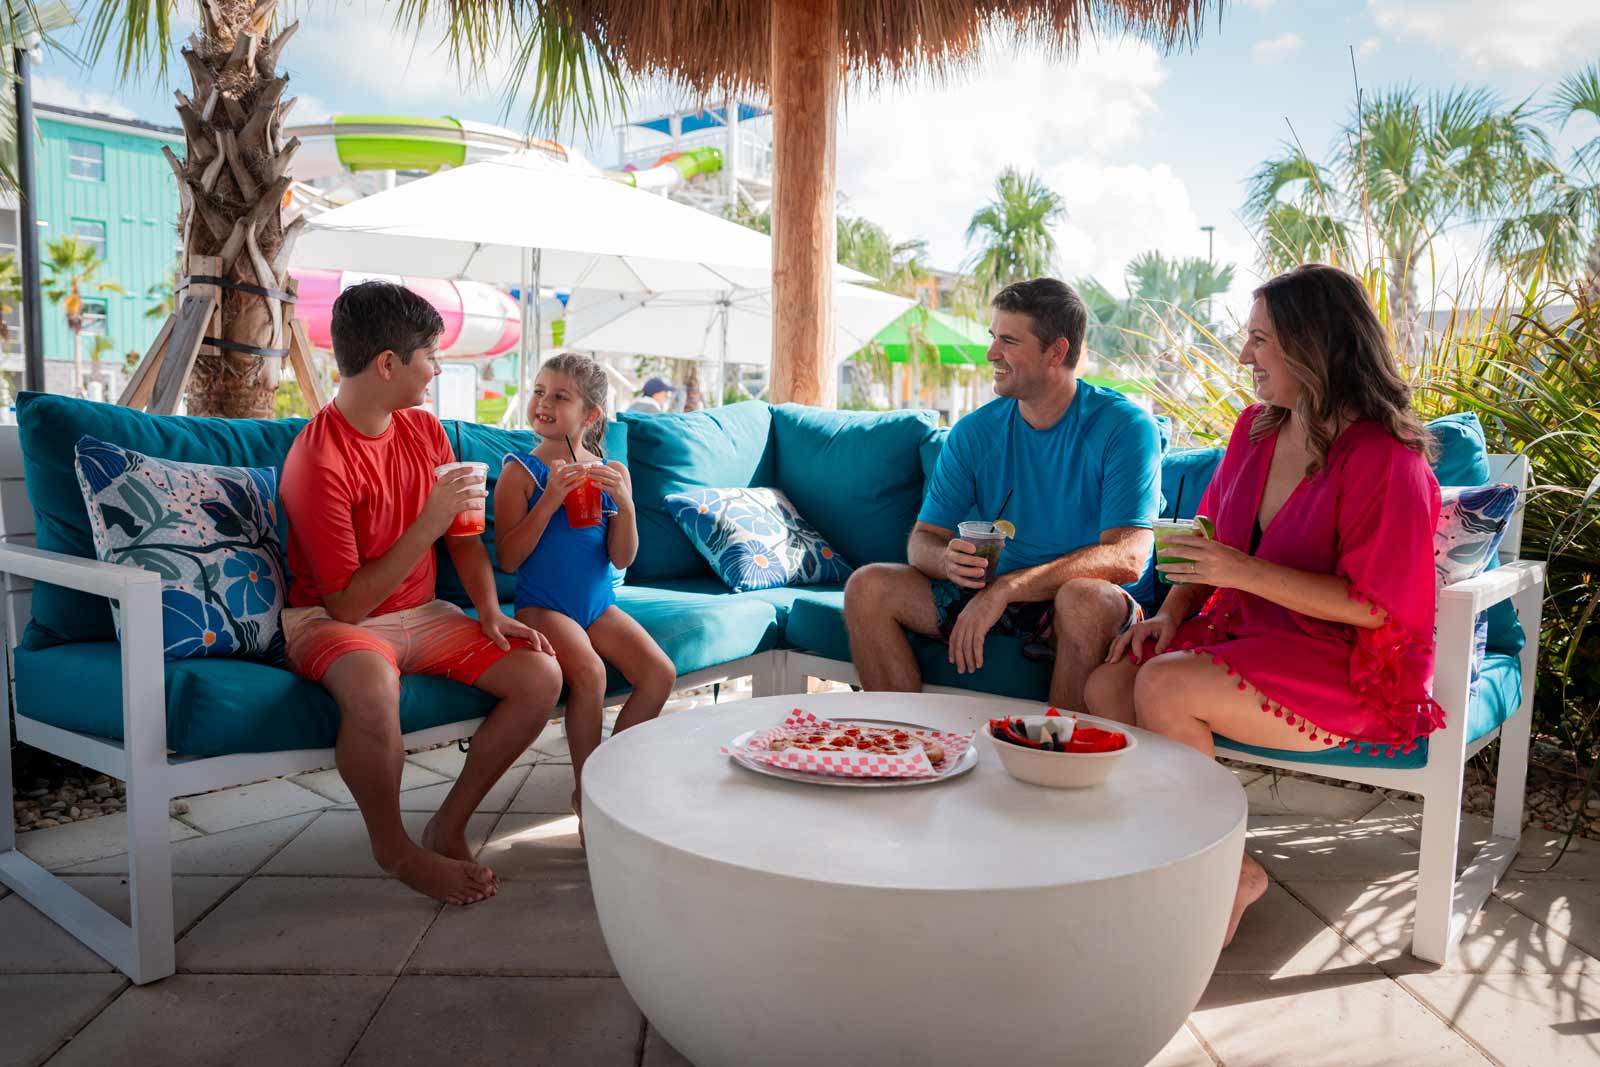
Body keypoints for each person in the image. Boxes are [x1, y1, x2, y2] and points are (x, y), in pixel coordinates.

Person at [1083, 262, 1445, 948]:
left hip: (1341, 661)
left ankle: (1195, 881)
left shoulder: (1386, 460)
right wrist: (1172, 609)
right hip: (1244, 635)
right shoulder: (1254, 429)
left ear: (1315, 346)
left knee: (1162, 684)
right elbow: (1210, 539)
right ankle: (1229, 867)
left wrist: (1239, 572)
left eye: (1260, 339)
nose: (1245, 354)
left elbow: (1377, 607)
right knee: (1107, 683)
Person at [280, 281, 564, 907]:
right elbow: (347, 604)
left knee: (540, 675)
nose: (437, 368)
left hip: (425, 615)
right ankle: (396, 849)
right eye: (430, 356)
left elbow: (465, 539)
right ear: (388, 364)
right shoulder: (316, 458)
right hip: (332, 622)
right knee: (372, 686)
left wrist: (491, 613)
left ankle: (449, 823)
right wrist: (427, 523)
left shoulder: (425, 432)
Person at [844, 277, 1162, 710]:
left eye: (1008, 341)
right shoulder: (975, 431)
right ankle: (907, 752)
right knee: (868, 586)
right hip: (994, 591)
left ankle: (1058, 764)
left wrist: (1007, 588)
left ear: (1057, 351)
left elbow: (1128, 557)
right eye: (994, 338)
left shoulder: (1123, 426)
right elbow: (923, 542)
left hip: (1081, 601)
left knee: (1082, 599)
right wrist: (946, 560)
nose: (992, 353)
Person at [495, 353, 676, 830]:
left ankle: (610, 776)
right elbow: (508, 559)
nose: (544, 403)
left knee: (659, 674)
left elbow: (621, 558)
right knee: (591, 675)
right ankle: (588, 797)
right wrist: (550, 498)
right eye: (539, 392)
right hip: (543, 606)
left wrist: (626, 505)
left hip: (597, 605)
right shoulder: (520, 471)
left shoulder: (609, 471)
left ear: (591, 415)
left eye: (560, 396)